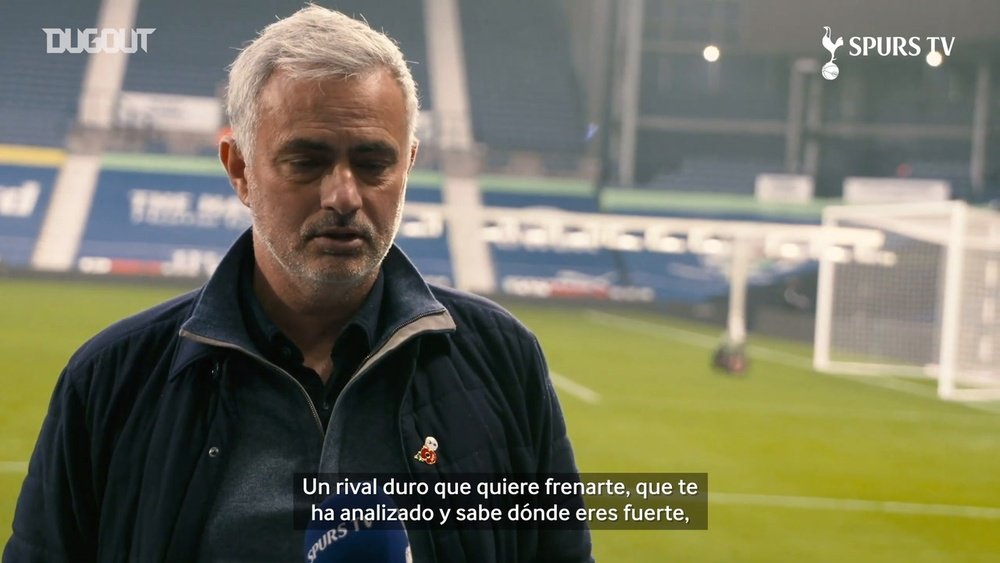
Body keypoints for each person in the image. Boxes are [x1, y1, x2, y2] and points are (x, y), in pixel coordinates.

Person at [3, 6, 592, 562]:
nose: (343, 196)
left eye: (373, 162)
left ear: (408, 165)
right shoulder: (110, 380)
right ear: (239, 168)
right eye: (306, 160)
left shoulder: (503, 360)